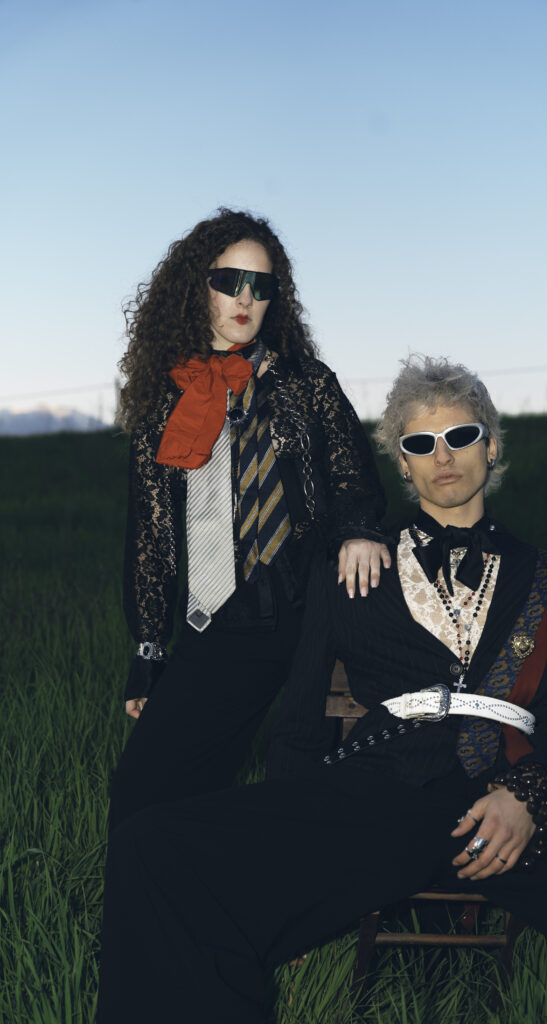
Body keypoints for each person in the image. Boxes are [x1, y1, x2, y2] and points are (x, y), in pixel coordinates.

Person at [97, 356, 547, 1023]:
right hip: (382, 796)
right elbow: (299, 725)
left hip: (513, 802)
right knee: (154, 847)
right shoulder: (352, 569)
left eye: (460, 436)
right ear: (401, 463)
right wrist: (282, 874)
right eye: (420, 443)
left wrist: (529, 794)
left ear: (491, 446)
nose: (443, 456)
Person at [110, 208, 390, 828]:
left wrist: (359, 530)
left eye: (260, 286)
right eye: (229, 281)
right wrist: (150, 648)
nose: (245, 299)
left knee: (297, 791)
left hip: (307, 602)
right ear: (196, 288)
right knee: (144, 793)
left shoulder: (306, 381)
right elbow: (151, 537)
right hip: (218, 620)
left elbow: (352, 472)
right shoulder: (164, 404)